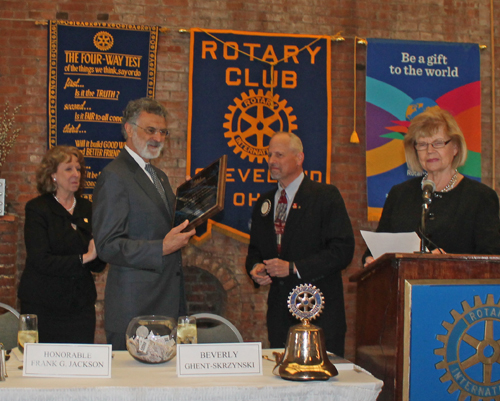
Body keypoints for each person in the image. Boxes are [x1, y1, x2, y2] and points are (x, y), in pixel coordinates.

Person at [92, 97, 195, 350]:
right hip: (135, 311)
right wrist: (161, 247)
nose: (158, 138)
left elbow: (170, 227)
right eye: (150, 130)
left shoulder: (157, 175)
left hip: (166, 304)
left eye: (163, 132)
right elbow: (107, 245)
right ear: (128, 129)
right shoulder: (114, 176)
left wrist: (197, 203)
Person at [245, 132, 355, 357]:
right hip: (279, 317)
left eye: (279, 155)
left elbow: (342, 251)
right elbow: (255, 250)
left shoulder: (325, 196)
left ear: (299, 158)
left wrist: (294, 268)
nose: (271, 160)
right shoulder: (264, 202)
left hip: (319, 312)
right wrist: (255, 268)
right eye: (269, 154)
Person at [363, 106, 500, 267]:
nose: (430, 151)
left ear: (455, 147)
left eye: (438, 143)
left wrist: (449, 261)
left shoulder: (480, 197)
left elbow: (492, 260)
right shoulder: (399, 194)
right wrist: (370, 259)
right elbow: (378, 246)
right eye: (422, 144)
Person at [18, 145, 106, 343]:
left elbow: (98, 264)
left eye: (79, 169)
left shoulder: (88, 208)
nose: (76, 174)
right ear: (53, 175)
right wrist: (84, 258)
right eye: (68, 169)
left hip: (80, 308)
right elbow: (41, 260)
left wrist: (100, 252)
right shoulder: (38, 209)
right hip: (43, 306)